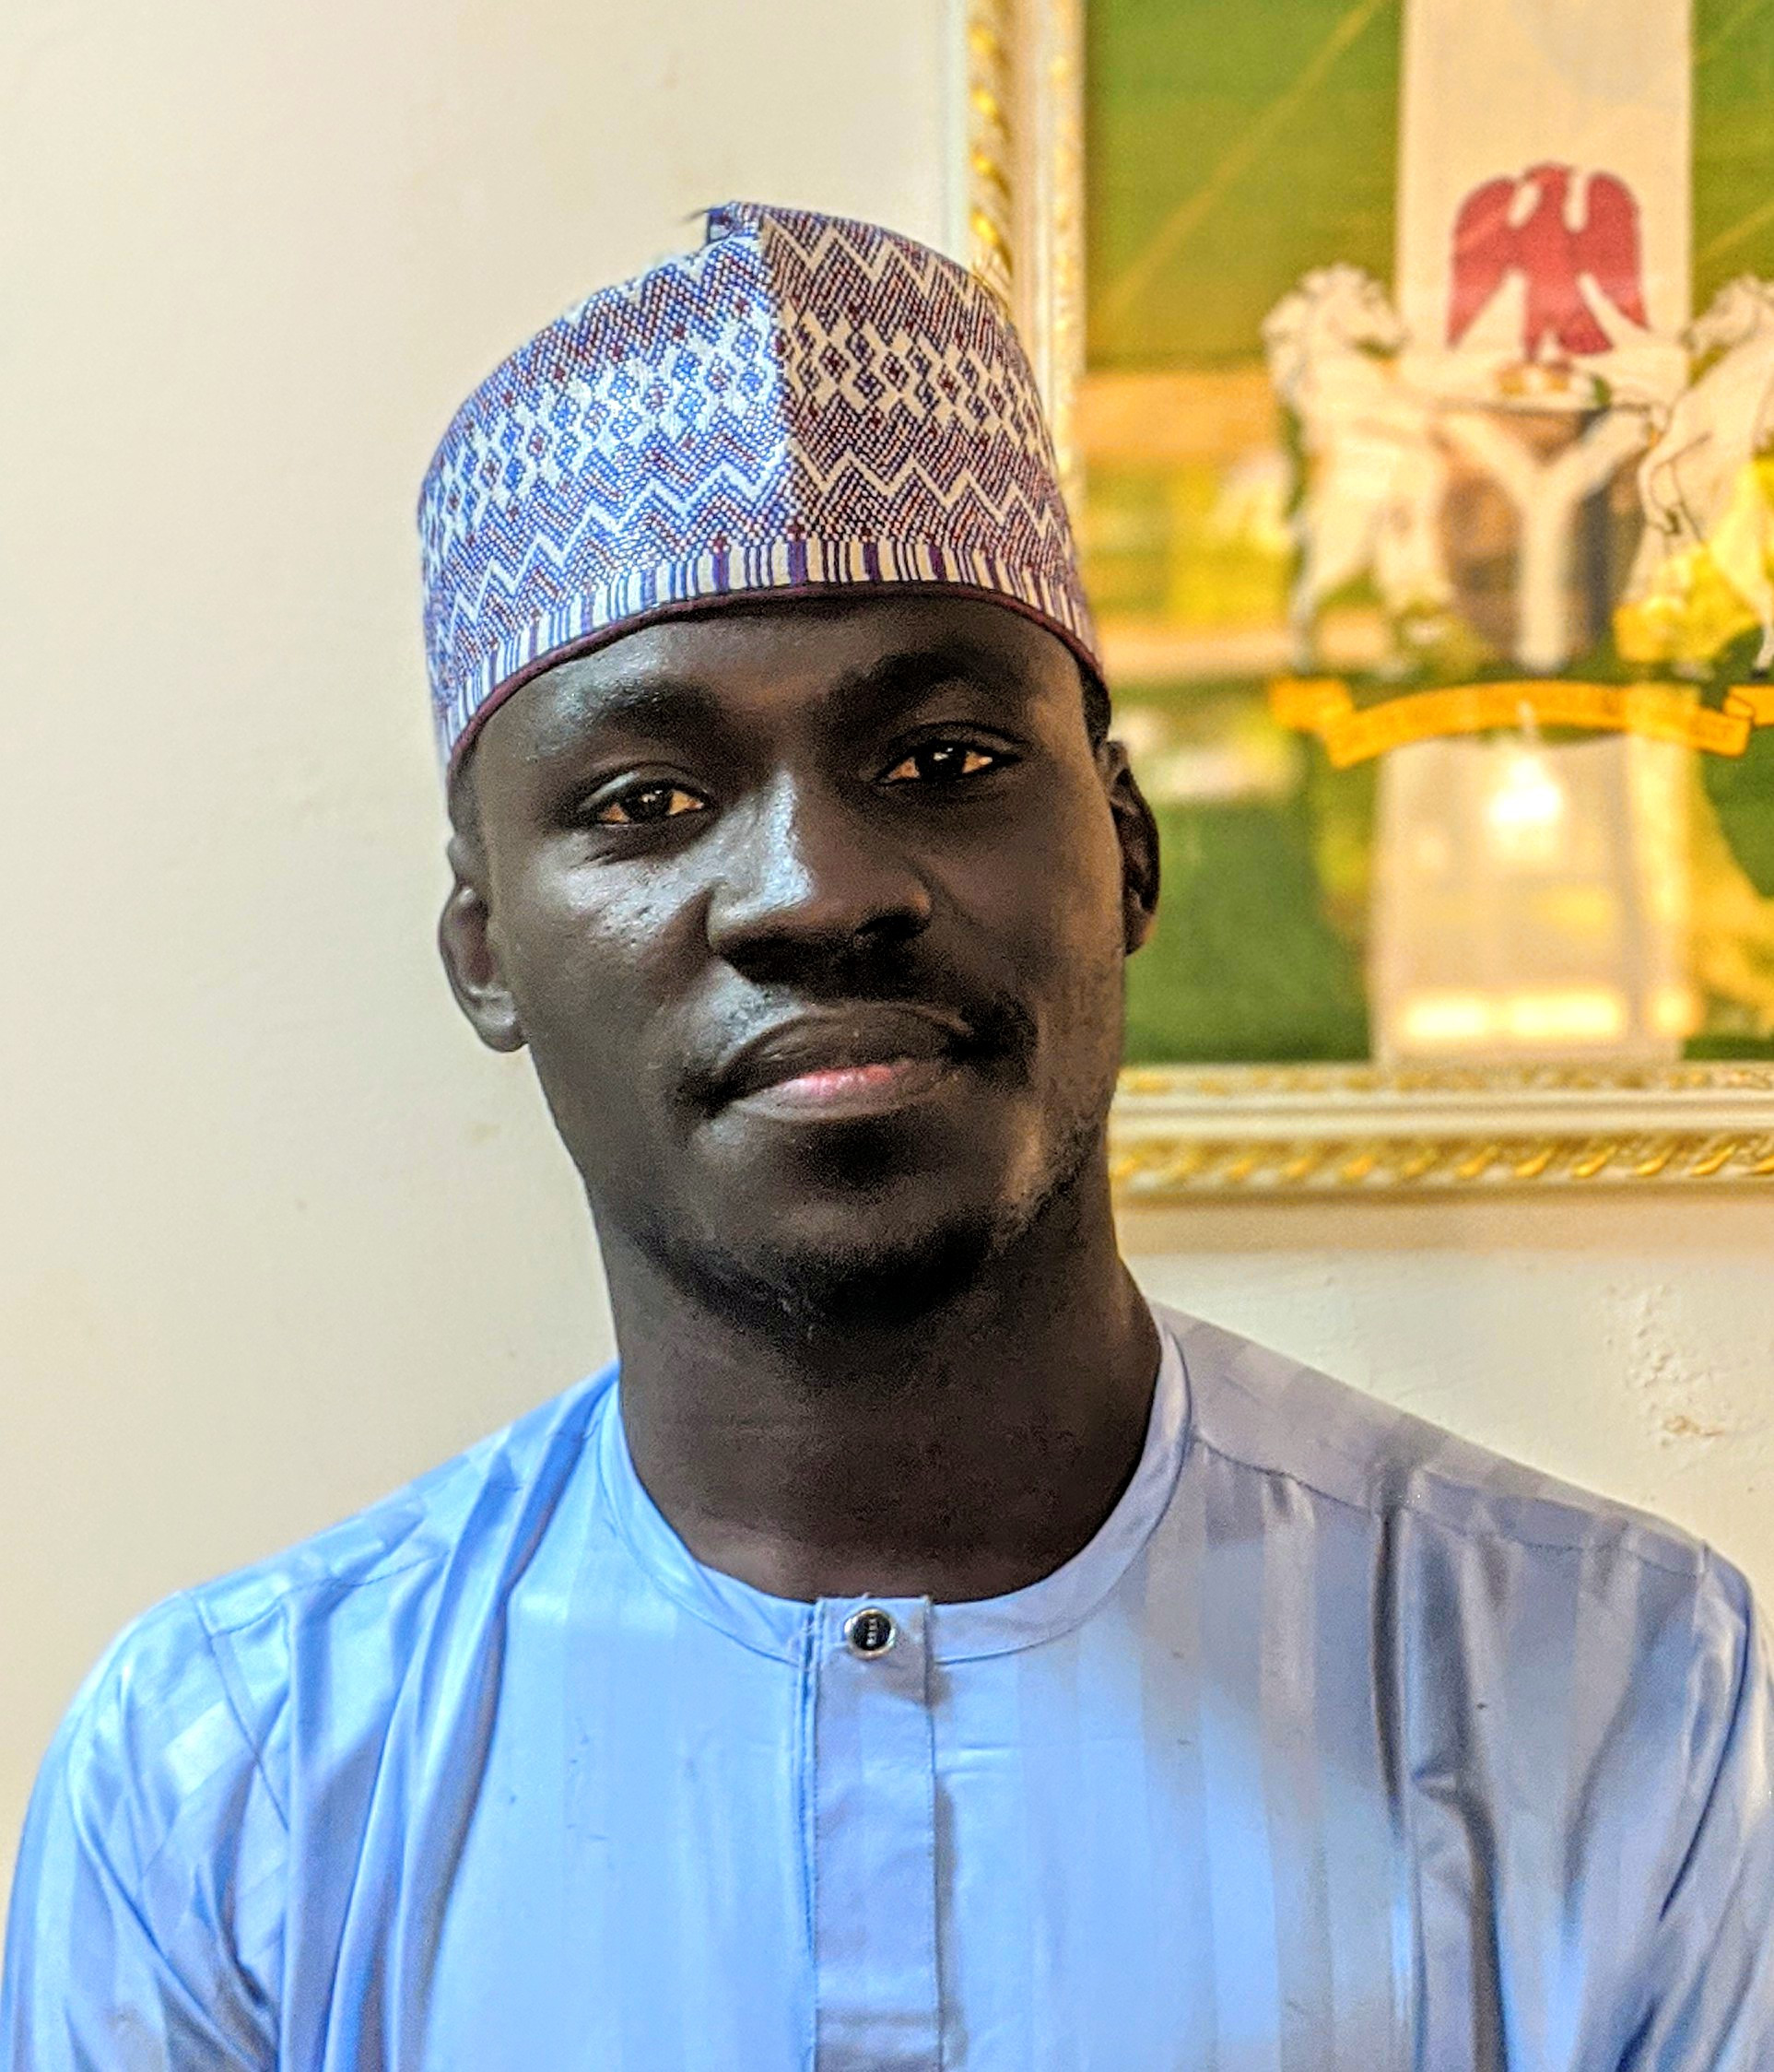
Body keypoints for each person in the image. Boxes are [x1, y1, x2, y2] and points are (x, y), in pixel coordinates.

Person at [4, 199, 1769, 2070]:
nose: (816, 890)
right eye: (647, 800)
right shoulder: (236, 1792)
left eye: (941, 763)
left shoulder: (1612, 1703)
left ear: (1127, 851)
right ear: (486, 949)